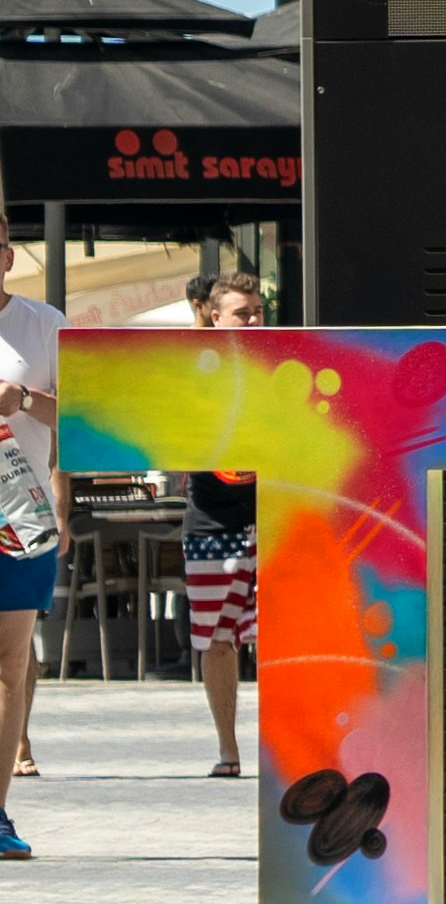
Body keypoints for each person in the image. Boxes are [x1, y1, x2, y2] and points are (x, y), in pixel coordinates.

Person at [183, 266, 266, 776]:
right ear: (214, 318)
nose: (253, 321)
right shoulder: (193, 367)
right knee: (216, 640)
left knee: (283, 635)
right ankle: (228, 750)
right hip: (212, 519)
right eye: (242, 313)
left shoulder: (282, 364)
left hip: (277, 512)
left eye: (258, 312)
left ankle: (288, 749)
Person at [0, 226, 55, 854]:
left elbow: (86, 410)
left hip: (21, 514)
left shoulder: (42, 324)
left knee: (11, 664)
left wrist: (24, 398)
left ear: (9, 258)